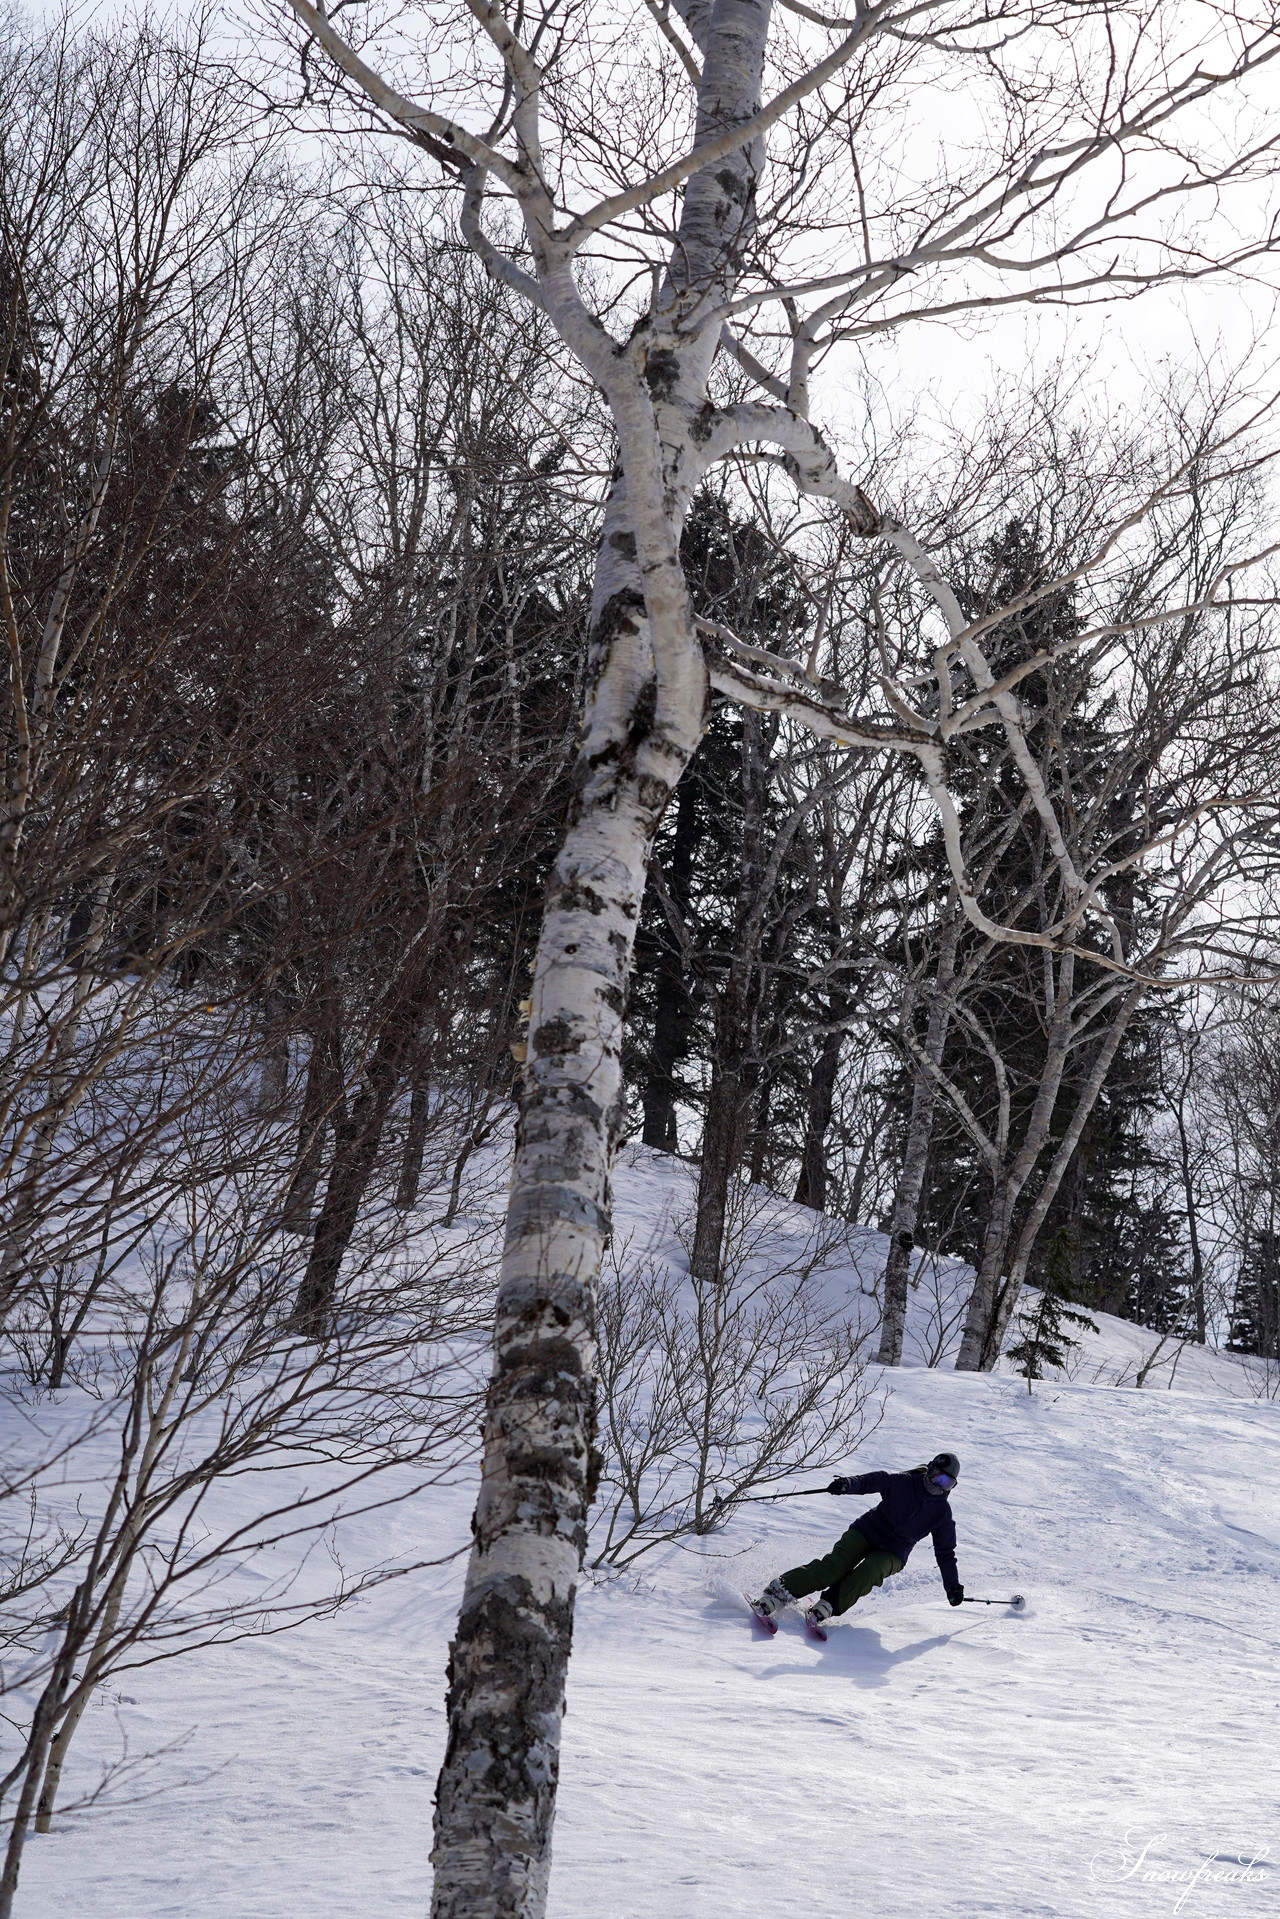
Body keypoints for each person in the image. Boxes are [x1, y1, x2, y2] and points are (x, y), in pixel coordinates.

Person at [750, 1452, 964, 1632]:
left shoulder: (942, 1514)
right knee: (834, 1567)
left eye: (947, 1482)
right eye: (937, 1477)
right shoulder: (904, 1482)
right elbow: (873, 1481)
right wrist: (846, 1484)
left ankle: (828, 1605)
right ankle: (777, 1593)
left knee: (870, 1571)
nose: (939, 1485)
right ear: (930, 1470)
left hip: (894, 1552)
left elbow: (945, 1553)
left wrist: (952, 1587)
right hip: (868, 1530)